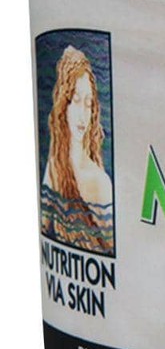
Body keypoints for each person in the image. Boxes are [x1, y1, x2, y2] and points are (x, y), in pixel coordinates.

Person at [41, 45, 113, 252]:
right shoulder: (55, 167)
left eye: (89, 104)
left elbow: (115, 250)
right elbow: (44, 228)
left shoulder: (99, 182)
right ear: (63, 105)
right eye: (76, 100)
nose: (83, 114)